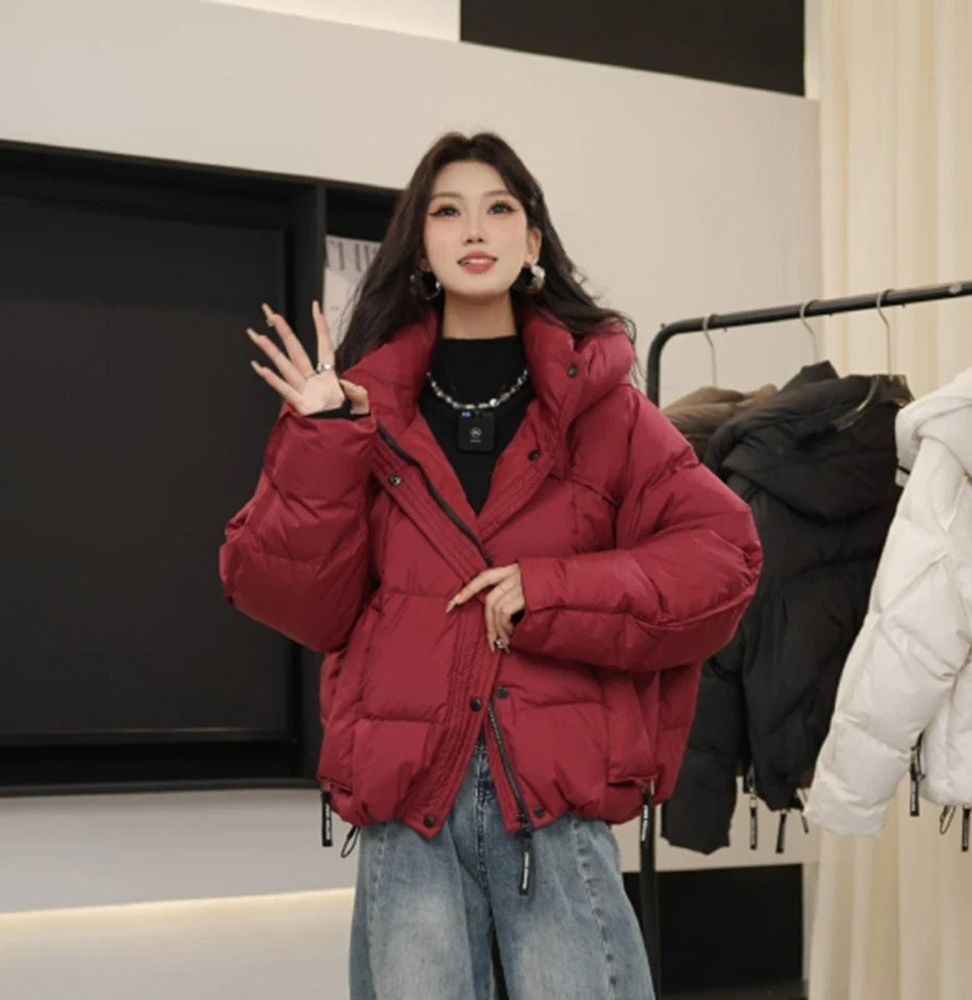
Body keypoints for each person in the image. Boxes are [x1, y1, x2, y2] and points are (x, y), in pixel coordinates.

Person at [219, 131, 762, 1000]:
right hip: (411, 820)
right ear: (421, 248)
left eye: (499, 207)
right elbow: (291, 600)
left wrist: (551, 591)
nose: (475, 228)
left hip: (555, 815)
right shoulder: (361, 414)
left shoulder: (608, 414)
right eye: (448, 211)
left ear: (532, 239)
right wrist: (321, 439)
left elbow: (723, 560)